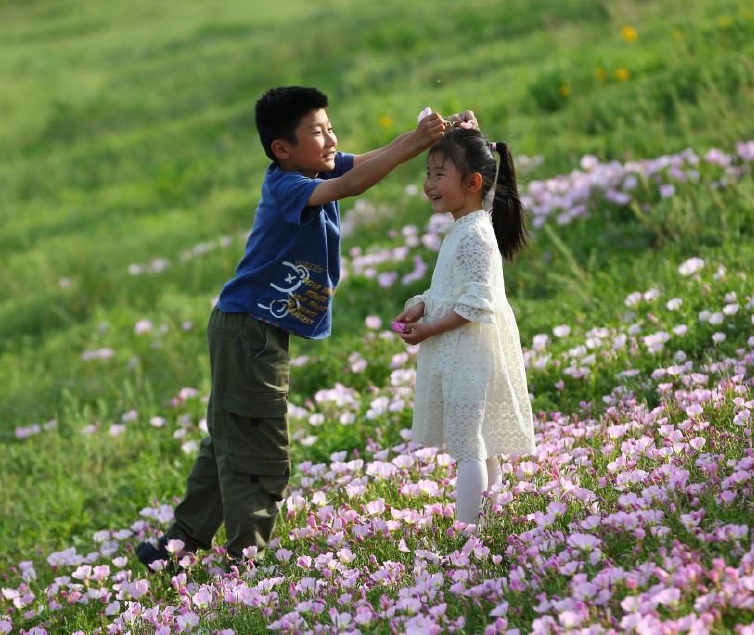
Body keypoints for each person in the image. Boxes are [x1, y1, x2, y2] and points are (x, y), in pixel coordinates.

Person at [136, 85, 475, 570]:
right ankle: (244, 562)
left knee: (231, 440)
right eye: (318, 132)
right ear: (283, 150)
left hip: (247, 328)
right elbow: (351, 186)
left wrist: (430, 135)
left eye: (330, 126)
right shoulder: (288, 185)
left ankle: (176, 548)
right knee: (260, 452)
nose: (331, 137)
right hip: (248, 332)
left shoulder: (315, 166)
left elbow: (361, 167)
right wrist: (417, 142)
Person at [393, 128, 536, 525]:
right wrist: (423, 304)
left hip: (472, 355)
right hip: (464, 354)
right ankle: (490, 518)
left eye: (440, 175)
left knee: (469, 445)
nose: (429, 184)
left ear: (472, 183)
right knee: (479, 440)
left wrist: (429, 329)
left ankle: (469, 533)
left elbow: (476, 305)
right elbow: (456, 288)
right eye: (428, 173)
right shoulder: (464, 228)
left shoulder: (474, 235)